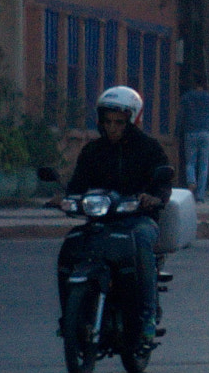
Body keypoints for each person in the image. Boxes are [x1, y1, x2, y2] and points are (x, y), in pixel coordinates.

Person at [63, 86, 173, 343]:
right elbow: (77, 185)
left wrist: (154, 198)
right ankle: (70, 319)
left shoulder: (149, 148)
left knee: (142, 243)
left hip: (138, 219)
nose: (112, 127)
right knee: (70, 246)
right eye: (107, 122)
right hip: (101, 219)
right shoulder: (92, 151)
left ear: (132, 121)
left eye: (119, 122)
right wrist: (66, 199)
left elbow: (163, 182)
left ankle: (147, 316)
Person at [177, 76, 209, 202]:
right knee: (204, 164)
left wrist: (177, 131)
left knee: (190, 162)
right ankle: (200, 195)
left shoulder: (186, 97)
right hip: (205, 132)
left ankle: (191, 181)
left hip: (190, 132)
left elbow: (180, 115)